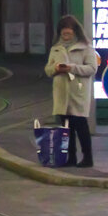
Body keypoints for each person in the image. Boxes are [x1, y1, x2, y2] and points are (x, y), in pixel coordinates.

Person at [44, 14, 100, 168]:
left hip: (78, 93)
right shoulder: (56, 49)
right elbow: (48, 70)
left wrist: (72, 68)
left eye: (69, 33)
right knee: (66, 128)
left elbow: (92, 68)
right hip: (61, 93)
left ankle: (88, 158)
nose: (66, 37)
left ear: (75, 32)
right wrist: (55, 69)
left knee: (81, 126)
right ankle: (71, 157)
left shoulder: (86, 48)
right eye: (63, 34)